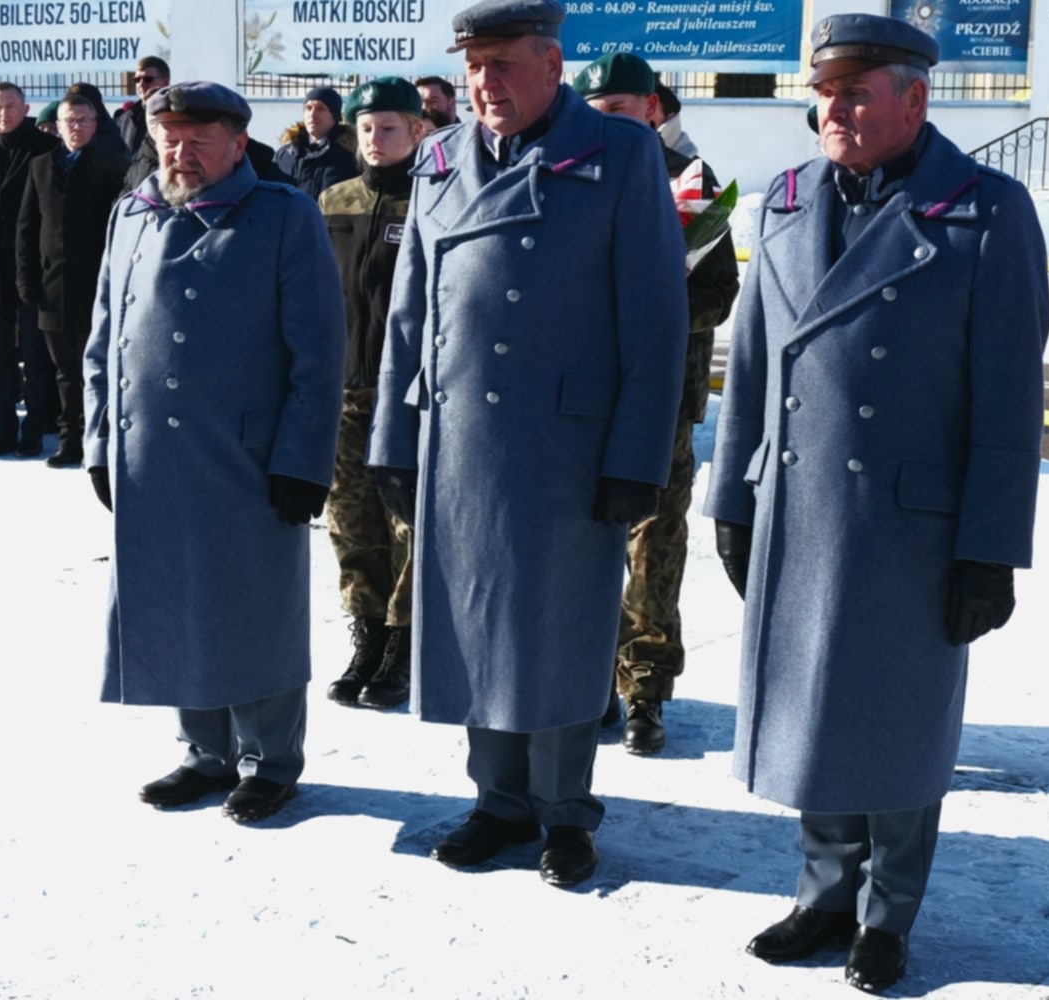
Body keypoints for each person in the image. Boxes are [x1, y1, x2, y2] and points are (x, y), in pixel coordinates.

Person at [706, 16, 1049, 992]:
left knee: (893, 721)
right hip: (800, 500)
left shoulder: (983, 213)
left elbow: (1006, 401)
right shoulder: (783, 201)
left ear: (914, 98)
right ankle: (822, 892)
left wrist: (990, 547)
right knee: (810, 709)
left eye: (856, 92)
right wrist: (733, 494)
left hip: (912, 521)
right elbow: (754, 358)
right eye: (824, 92)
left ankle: (887, 914)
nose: (834, 110)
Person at [366, 0, 689, 889]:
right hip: (460, 435)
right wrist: (396, 437)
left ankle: (564, 814)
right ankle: (497, 801)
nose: (485, 82)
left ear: (553, 64)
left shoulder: (620, 154)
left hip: (566, 447)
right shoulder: (437, 159)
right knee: (474, 621)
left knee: (557, 632)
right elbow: (409, 315)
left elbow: (654, 323)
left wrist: (635, 457)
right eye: (474, 66)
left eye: (504, 63)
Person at [86, 81, 345, 825]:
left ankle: (269, 760)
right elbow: (103, 339)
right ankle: (206, 751)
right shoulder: (131, 213)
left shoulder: (282, 215)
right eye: (169, 136)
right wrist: (102, 439)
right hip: (152, 459)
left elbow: (318, 353)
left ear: (238, 142)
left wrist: (303, 459)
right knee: (173, 599)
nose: (180, 151)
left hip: (246, 460)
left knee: (253, 607)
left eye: (199, 138)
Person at [573, 51, 742, 756]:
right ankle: (589, 683)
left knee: (653, 549)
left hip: (665, 399)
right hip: (581, 399)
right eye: (595, 112)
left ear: (653, 110)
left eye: (620, 110)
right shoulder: (570, 183)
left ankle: (644, 690)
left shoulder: (691, 189)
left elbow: (718, 295)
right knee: (581, 548)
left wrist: (650, 308)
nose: (607, 123)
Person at [317, 77, 428, 710]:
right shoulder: (335, 198)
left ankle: (403, 646)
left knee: (407, 525)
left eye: (388, 128)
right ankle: (366, 636)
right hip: (343, 390)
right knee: (350, 524)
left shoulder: (434, 201)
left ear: (417, 131)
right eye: (364, 128)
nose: (375, 139)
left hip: (407, 396)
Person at [16, 91, 131, 470]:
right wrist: (26, 281)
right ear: (56, 125)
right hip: (51, 288)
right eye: (69, 121)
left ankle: (101, 436)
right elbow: (27, 228)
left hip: (97, 286)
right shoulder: (41, 165)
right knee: (64, 370)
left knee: (97, 367)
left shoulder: (112, 166)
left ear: (96, 124)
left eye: (83, 120)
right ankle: (70, 439)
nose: (76, 128)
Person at [0, 81, 62, 458]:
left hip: (32, 268)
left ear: (24, 108)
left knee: (36, 358)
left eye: (9, 106)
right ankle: (4, 428)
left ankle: (34, 429)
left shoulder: (46, 148)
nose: (2, 114)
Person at [274, 86, 357, 199]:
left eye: (320, 109)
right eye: (308, 108)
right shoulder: (285, 154)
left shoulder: (351, 156)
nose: (312, 114)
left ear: (335, 116)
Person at [117, 55, 171, 159]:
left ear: (165, 82)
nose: (141, 84)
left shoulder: (174, 116)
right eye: (137, 79)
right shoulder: (126, 118)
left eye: (148, 79)